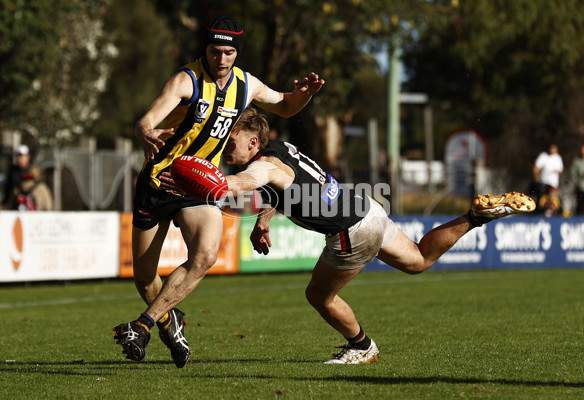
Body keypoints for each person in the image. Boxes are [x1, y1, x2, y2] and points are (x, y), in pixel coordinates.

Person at [161, 107, 536, 364]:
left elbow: (246, 182)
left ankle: (363, 347)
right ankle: (475, 217)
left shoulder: (262, 164)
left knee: (318, 295)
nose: (227, 147)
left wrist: (196, 184)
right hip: (366, 208)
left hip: (349, 232)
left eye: (233, 141)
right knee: (420, 261)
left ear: (254, 143)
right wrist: (263, 221)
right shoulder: (281, 151)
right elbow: (285, 184)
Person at [112, 16, 325, 368]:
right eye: (215, 51)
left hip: (199, 182)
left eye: (228, 52)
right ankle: (170, 321)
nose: (221, 59)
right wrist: (143, 131)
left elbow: (285, 105)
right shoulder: (186, 80)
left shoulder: (247, 85)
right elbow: (148, 119)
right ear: (206, 49)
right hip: (159, 181)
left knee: (206, 255)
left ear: (236, 52)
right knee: (145, 278)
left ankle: (143, 325)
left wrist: (304, 96)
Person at [532, 143, 563, 217]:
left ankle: (556, 216)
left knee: (555, 202)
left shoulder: (558, 158)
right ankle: (538, 215)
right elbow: (536, 168)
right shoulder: (544, 156)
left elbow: (560, 172)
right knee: (542, 202)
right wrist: (537, 177)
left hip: (553, 185)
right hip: (544, 184)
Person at [1, 145, 32, 210]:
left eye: (22, 156)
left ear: (28, 157)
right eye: (18, 156)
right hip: (15, 205)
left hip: (31, 205)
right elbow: (8, 188)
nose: (20, 158)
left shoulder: (33, 170)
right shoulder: (13, 171)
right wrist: (4, 203)